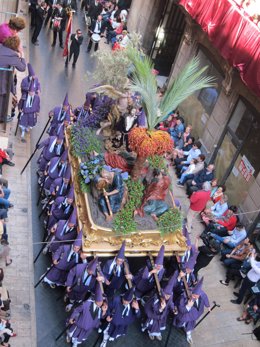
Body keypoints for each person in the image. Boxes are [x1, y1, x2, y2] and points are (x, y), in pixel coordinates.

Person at [67, 282, 108, 347]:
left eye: (102, 302)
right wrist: (71, 318)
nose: (101, 303)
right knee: (73, 333)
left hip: (88, 328)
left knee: (79, 338)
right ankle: (69, 336)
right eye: (99, 301)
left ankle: (75, 343)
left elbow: (100, 318)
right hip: (80, 324)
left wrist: (103, 312)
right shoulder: (87, 304)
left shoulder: (101, 309)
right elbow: (76, 310)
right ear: (96, 299)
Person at [173, 277, 210, 344]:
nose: (196, 297)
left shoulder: (201, 294)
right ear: (192, 292)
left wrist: (208, 306)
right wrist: (188, 306)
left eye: (198, 295)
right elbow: (181, 309)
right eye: (194, 295)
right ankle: (181, 326)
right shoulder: (183, 298)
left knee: (190, 326)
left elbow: (205, 297)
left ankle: (188, 335)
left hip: (195, 314)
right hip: (185, 315)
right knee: (181, 323)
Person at [0, 36, 26, 123]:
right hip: (2, 82)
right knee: (2, 99)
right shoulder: (12, 56)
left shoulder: (1, 46)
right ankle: (1, 118)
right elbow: (22, 68)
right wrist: (22, 55)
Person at [142, 275, 175, 341]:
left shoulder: (170, 295)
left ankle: (157, 333)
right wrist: (161, 309)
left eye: (169, 295)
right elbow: (154, 309)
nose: (167, 297)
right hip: (154, 314)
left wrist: (173, 309)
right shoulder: (156, 297)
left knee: (160, 324)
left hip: (163, 314)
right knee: (152, 324)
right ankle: (150, 333)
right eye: (166, 295)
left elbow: (170, 302)